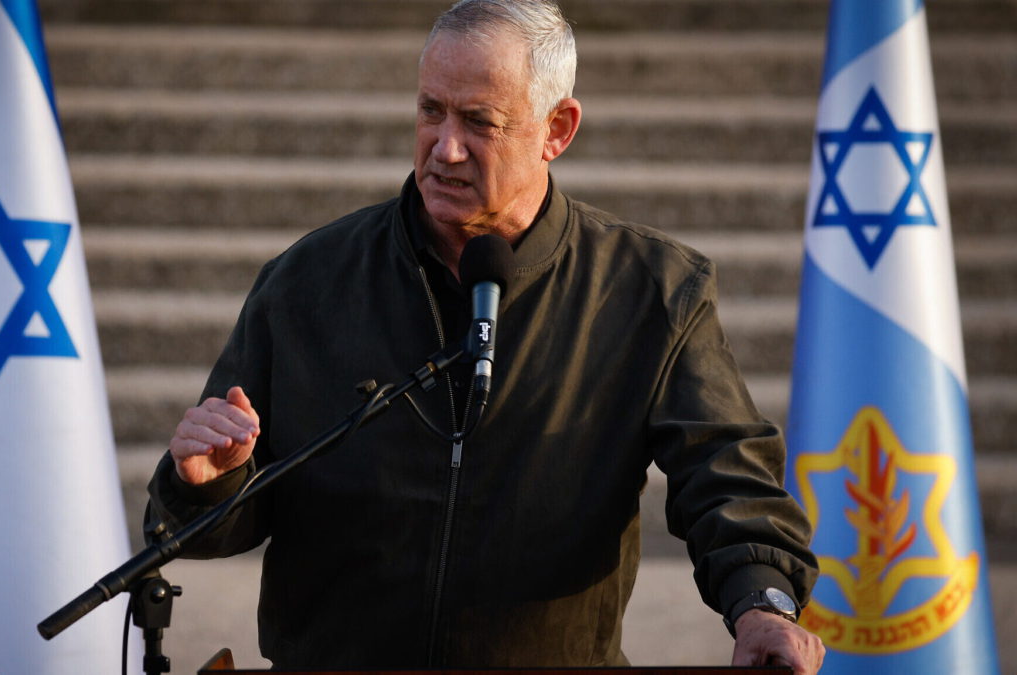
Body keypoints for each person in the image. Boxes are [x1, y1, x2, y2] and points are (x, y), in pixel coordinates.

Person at [145, 0, 825, 671]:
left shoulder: (650, 292)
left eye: (479, 121)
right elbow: (217, 516)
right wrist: (207, 483)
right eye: (430, 110)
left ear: (556, 129)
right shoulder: (307, 282)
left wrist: (761, 602)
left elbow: (728, 475)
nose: (445, 148)